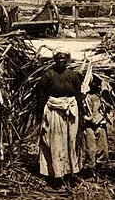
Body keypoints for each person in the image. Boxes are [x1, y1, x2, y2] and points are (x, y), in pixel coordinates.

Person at [38, 51, 82, 186]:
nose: (60, 61)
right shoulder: (48, 75)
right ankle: (55, 175)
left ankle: (70, 173)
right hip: (54, 111)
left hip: (70, 111)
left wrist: (81, 113)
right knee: (55, 142)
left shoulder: (72, 75)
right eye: (58, 59)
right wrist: (42, 113)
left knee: (71, 141)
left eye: (63, 59)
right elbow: (41, 93)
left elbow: (77, 93)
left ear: (67, 60)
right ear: (54, 60)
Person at [80, 80, 109, 176]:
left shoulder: (102, 97)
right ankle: (91, 170)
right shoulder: (85, 97)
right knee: (91, 148)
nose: (95, 86)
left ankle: (100, 169)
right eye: (93, 84)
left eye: (97, 84)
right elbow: (83, 111)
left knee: (102, 148)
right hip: (89, 126)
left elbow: (106, 109)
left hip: (100, 125)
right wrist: (86, 118)